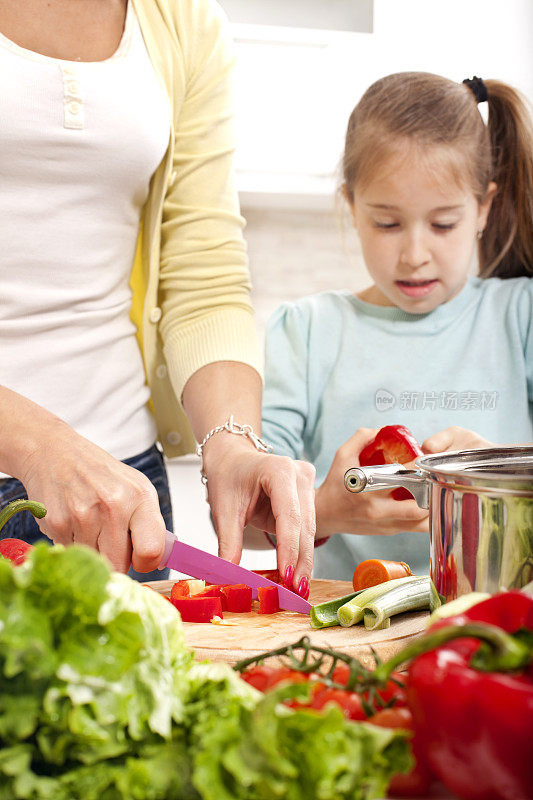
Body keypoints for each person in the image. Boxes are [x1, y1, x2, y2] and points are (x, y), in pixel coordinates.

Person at [0, 0, 315, 594]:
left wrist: (233, 445)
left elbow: (205, 270)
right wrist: (35, 443)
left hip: (123, 493)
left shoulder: (183, 21)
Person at [261, 72, 533, 581]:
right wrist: (323, 508)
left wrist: (503, 473)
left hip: (497, 620)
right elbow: (243, 516)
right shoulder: (307, 330)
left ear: (483, 208)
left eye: (443, 224)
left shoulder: (520, 317)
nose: (414, 255)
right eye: (387, 223)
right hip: (345, 628)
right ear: (351, 206)